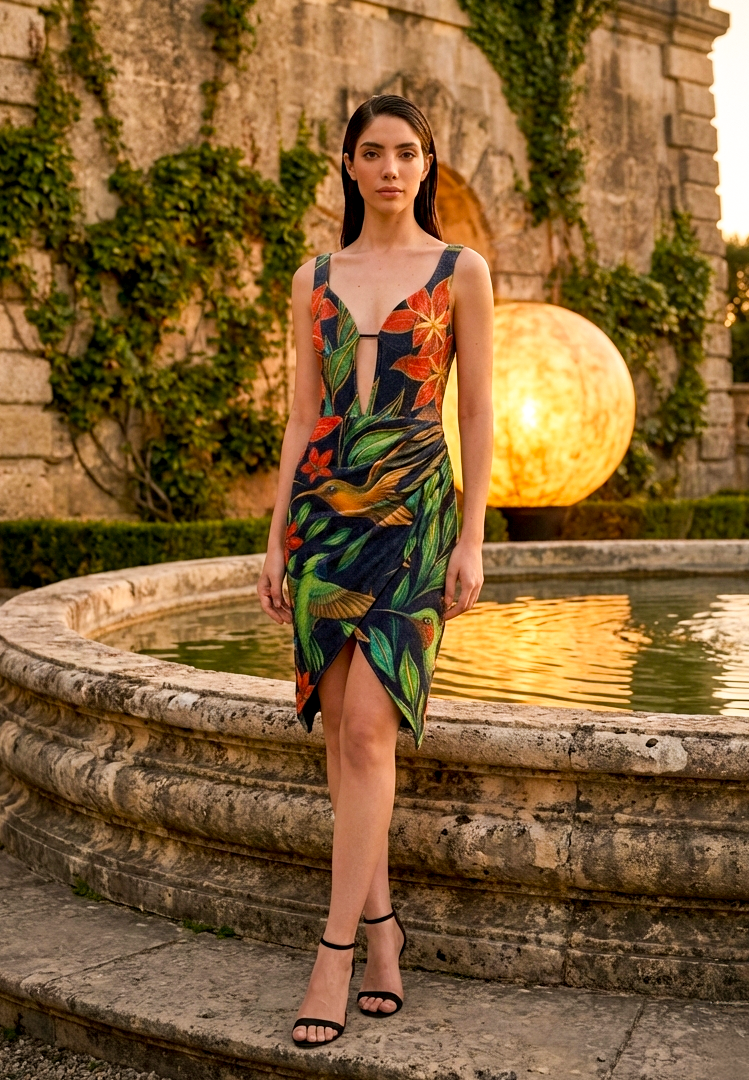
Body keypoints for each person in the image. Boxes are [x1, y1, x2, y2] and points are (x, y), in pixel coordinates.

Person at [256, 94, 494, 1048]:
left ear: (426, 164)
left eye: (406, 152)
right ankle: (385, 930)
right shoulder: (314, 277)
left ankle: (333, 954)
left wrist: (472, 538)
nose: (390, 168)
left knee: (367, 726)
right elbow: (301, 414)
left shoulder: (460, 270)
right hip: (325, 516)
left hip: (416, 516)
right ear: (349, 166)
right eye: (372, 153)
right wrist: (275, 535)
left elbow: (475, 412)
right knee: (345, 743)